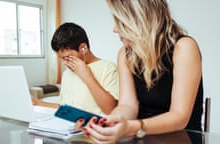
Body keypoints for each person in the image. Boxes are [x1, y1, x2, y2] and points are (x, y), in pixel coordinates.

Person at [80, 0, 203, 143]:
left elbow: (179, 117)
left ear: (140, 20)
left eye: (121, 22)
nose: (115, 29)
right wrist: (110, 122)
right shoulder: (125, 54)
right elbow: (127, 106)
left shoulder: (184, 47)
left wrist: (131, 127)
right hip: (143, 137)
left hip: (182, 139)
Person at [32, 22, 119, 115]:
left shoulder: (108, 68)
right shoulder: (67, 73)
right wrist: (37, 103)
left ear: (83, 48)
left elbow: (112, 110)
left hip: (94, 127)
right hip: (68, 127)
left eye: (67, 57)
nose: (64, 63)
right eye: (61, 58)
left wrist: (87, 76)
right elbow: (65, 109)